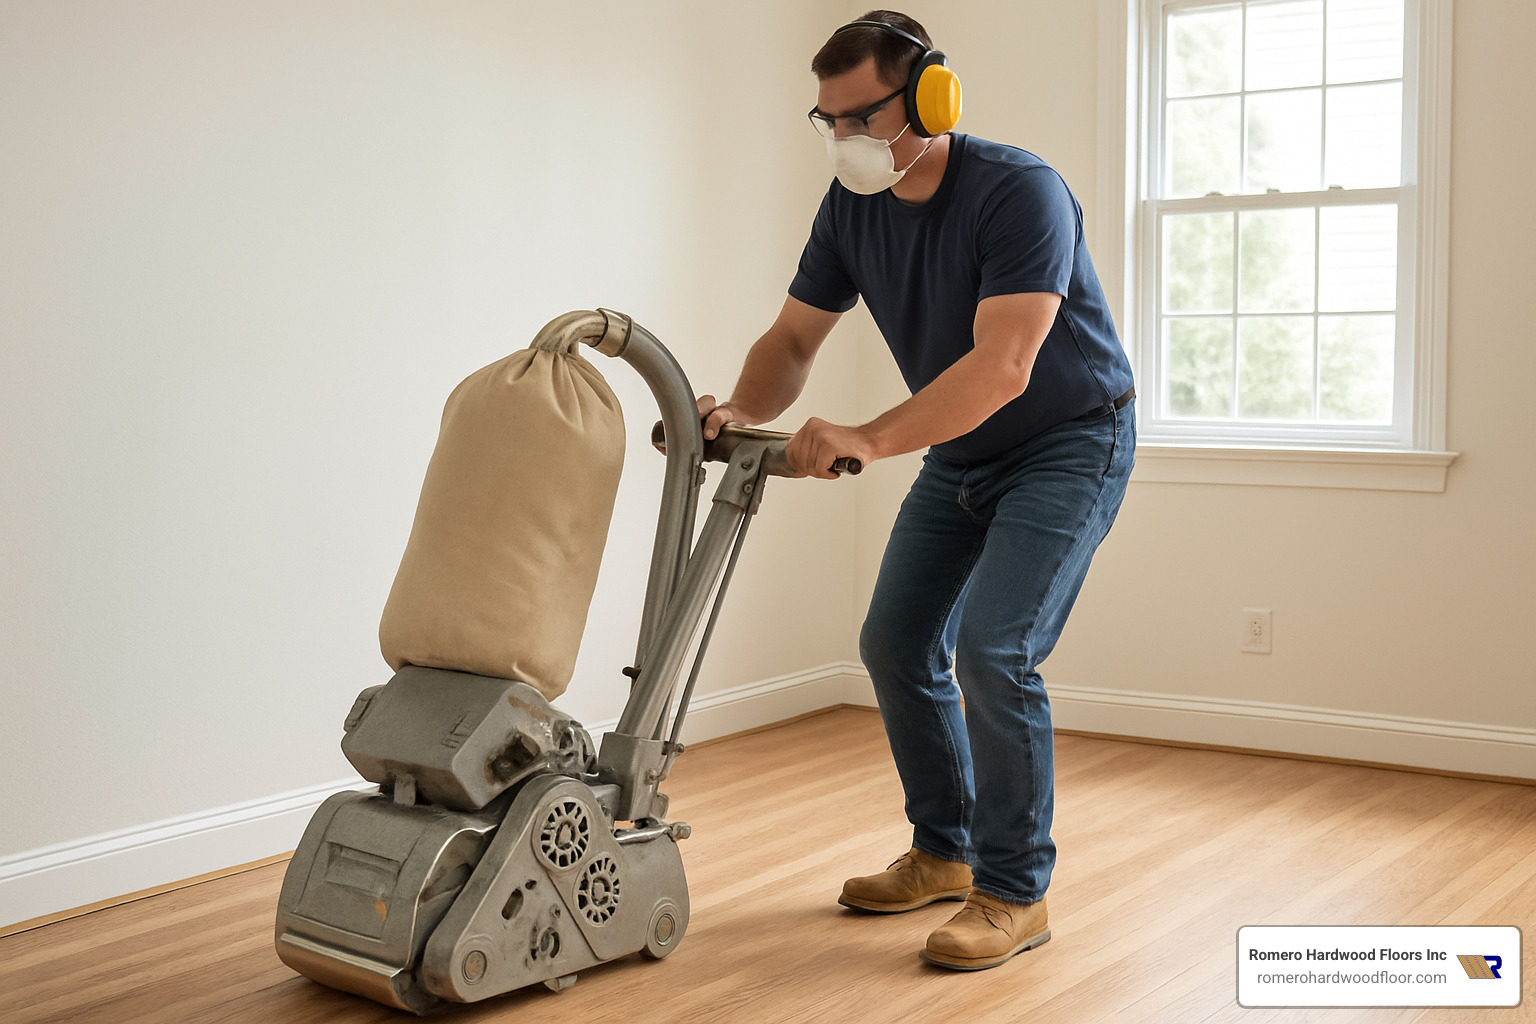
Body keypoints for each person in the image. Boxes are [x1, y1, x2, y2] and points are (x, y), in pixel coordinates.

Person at [696, 10, 1136, 971]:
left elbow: (1006, 365)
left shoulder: (1021, 192)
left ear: (933, 96)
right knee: (894, 643)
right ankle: (944, 852)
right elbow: (793, 340)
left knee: (995, 649)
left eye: (861, 117)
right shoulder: (849, 207)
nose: (845, 139)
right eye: (829, 121)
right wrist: (736, 408)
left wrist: (867, 436)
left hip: (1069, 441)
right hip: (963, 454)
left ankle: (1016, 892)